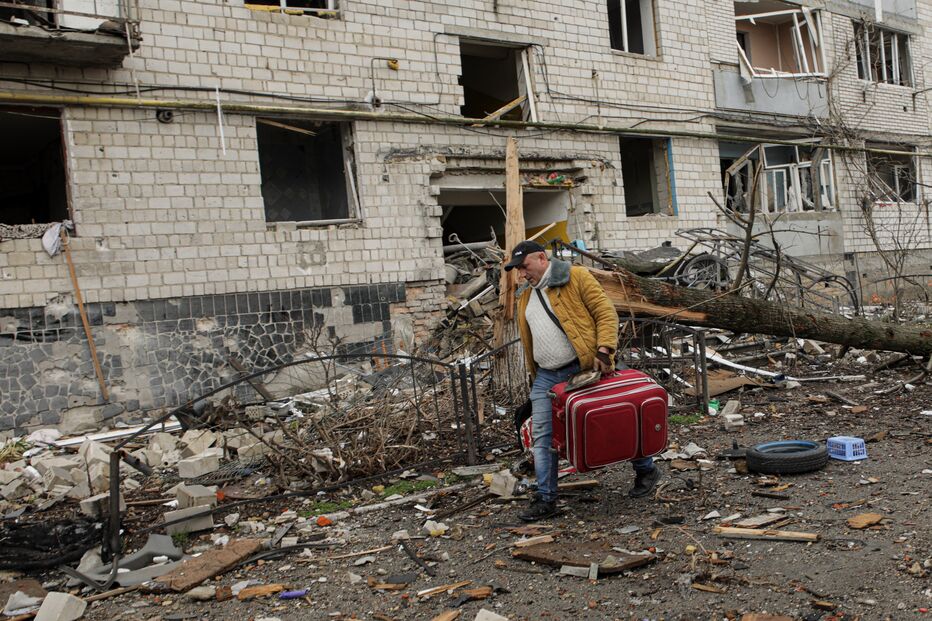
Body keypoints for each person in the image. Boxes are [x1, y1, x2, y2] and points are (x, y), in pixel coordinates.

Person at [505, 240, 662, 521]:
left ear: (542, 258)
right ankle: (546, 499)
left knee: (615, 421)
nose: (522, 274)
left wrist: (604, 349)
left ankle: (646, 469)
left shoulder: (576, 277)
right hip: (546, 376)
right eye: (517, 270)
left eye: (524, 267)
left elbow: (605, 313)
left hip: (586, 367)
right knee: (543, 436)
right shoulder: (526, 296)